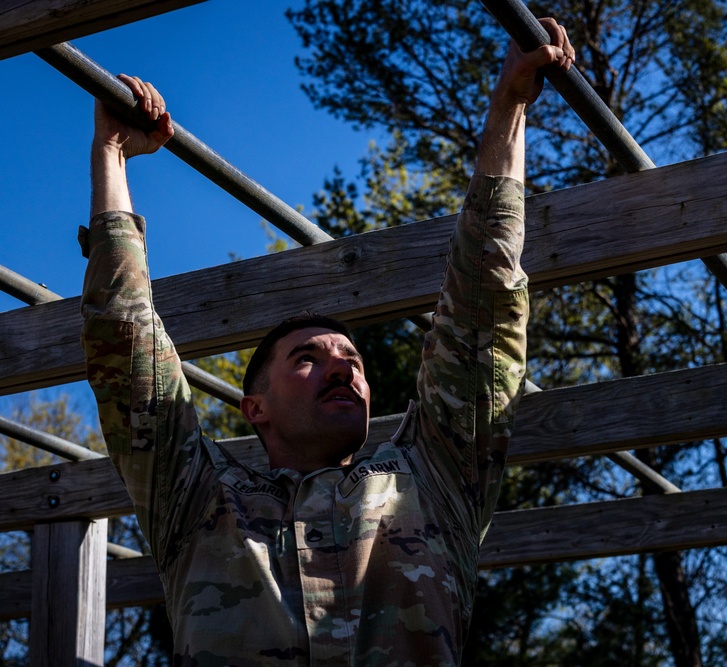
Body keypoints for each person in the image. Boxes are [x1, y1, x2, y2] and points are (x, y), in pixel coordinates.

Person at [80, 19, 575, 667]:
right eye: (307, 358)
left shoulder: (429, 483)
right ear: (252, 407)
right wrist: (111, 156)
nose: (342, 367)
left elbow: (484, 311)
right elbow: (127, 350)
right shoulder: (199, 501)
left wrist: (509, 104)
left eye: (354, 360)